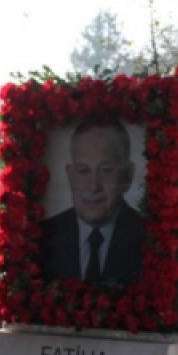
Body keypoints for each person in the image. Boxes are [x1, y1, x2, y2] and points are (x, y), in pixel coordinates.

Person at [40, 119, 145, 285]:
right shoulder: (43, 237)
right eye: (83, 171)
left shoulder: (149, 239)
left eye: (105, 170)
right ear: (70, 176)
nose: (93, 186)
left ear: (127, 176)